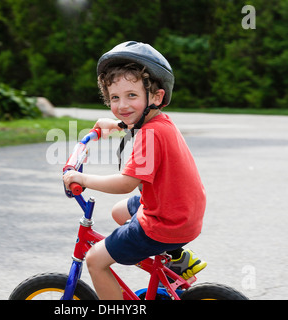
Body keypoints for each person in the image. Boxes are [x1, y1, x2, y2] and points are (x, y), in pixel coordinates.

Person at [63, 41, 207, 300]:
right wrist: (117, 124)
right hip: (183, 212)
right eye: (115, 98)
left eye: (132, 96)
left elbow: (125, 183)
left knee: (95, 259)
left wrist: (81, 178)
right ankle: (175, 260)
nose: (122, 105)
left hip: (165, 223)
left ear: (156, 97)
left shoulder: (150, 135)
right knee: (120, 211)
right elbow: (137, 121)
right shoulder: (160, 123)